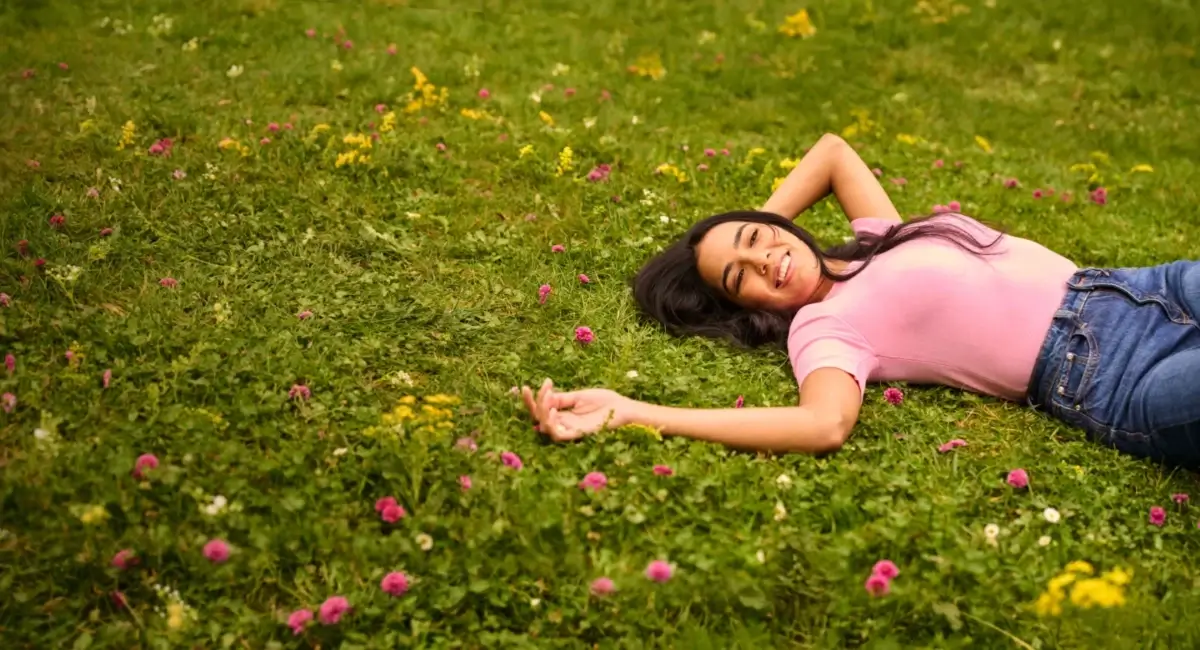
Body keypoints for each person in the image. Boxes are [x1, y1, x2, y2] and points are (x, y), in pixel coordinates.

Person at [520, 133, 1200, 469]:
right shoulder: (824, 327)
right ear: (745, 308)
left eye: (760, 239)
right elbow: (822, 426)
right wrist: (631, 410)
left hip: (1145, 288)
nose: (767, 260)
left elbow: (832, 153)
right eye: (742, 278)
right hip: (1112, 378)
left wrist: (742, 234)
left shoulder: (877, 239)